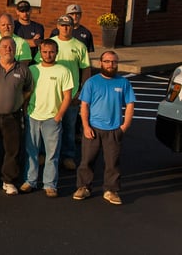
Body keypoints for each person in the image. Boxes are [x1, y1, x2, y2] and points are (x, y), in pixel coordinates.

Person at [73, 51, 135, 205]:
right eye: (107, 61)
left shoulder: (123, 83)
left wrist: (124, 126)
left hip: (114, 130)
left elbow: (130, 104)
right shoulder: (92, 82)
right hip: (93, 128)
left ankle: (111, 190)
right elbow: (84, 106)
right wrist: (86, 126)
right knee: (87, 160)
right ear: (101, 63)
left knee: (112, 163)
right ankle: (84, 187)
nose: (110, 65)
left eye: (113, 62)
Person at [0, 37, 32, 195]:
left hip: (12, 116)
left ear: (15, 49)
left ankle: (8, 181)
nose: (8, 49)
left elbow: (28, 89)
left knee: (12, 150)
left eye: (11, 47)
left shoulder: (23, 69)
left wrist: (19, 102)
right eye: (4, 46)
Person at [23, 39, 74, 197]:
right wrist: (25, 111)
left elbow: (67, 96)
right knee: (31, 151)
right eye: (44, 52)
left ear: (56, 52)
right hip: (33, 116)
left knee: (52, 154)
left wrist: (59, 116)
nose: (48, 55)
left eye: (51, 52)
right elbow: (26, 92)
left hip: (52, 118)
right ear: (40, 52)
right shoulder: (32, 70)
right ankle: (30, 181)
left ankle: (50, 185)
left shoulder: (63, 71)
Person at [45, 14, 91, 170]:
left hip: (71, 95)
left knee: (69, 128)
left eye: (68, 25)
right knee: (48, 128)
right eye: (62, 25)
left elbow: (86, 69)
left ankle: (68, 156)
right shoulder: (50, 44)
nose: (65, 28)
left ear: (73, 27)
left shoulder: (80, 46)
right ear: (58, 26)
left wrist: (81, 91)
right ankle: (44, 154)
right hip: (51, 95)